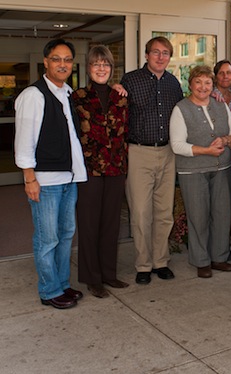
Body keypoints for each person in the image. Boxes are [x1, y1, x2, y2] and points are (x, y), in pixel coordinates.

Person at [14, 39, 86, 309]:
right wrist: (29, 178)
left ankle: (63, 284)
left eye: (67, 59)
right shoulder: (34, 95)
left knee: (66, 234)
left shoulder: (67, 93)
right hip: (45, 180)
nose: (63, 64)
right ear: (46, 62)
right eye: (57, 59)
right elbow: (24, 141)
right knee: (47, 238)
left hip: (68, 178)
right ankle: (49, 290)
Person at [121, 36, 183, 285]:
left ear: (169, 57)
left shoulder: (174, 84)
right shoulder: (131, 79)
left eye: (165, 53)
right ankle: (143, 264)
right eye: (155, 52)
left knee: (164, 212)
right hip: (139, 152)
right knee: (140, 212)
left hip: (168, 152)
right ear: (146, 55)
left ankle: (161, 261)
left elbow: (184, 112)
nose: (160, 57)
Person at [72, 45, 129, 298]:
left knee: (110, 224)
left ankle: (108, 274)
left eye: (105, 64)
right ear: (89, 68)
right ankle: (92, 278)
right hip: (88, 170)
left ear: (111, 68)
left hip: (116, 168)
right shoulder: (78, 97)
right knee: (89, 223)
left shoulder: (121, 97)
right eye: (96, 64)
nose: (101, 68)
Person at [170, 65, 231, 278]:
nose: (203, 86)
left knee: (222, 214)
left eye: (207, 82)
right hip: (193, 171)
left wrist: (226, 140)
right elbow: (177, 145)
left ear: (212, 85)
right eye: (198, 82)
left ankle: (219, 257)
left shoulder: (220, 105)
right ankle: (201, 261)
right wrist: (206, 150)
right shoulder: (181, 108)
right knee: (198, 216)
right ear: (190, 85)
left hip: (221, 168)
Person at [213, 59, 231, 260]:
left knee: (225, 206)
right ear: (216, 76)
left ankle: (222, 246)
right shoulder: (209, 96)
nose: (226, 76)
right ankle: (211, 246)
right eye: (222, 73)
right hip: (214, 157)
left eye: (229, 73)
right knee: (213, 205)